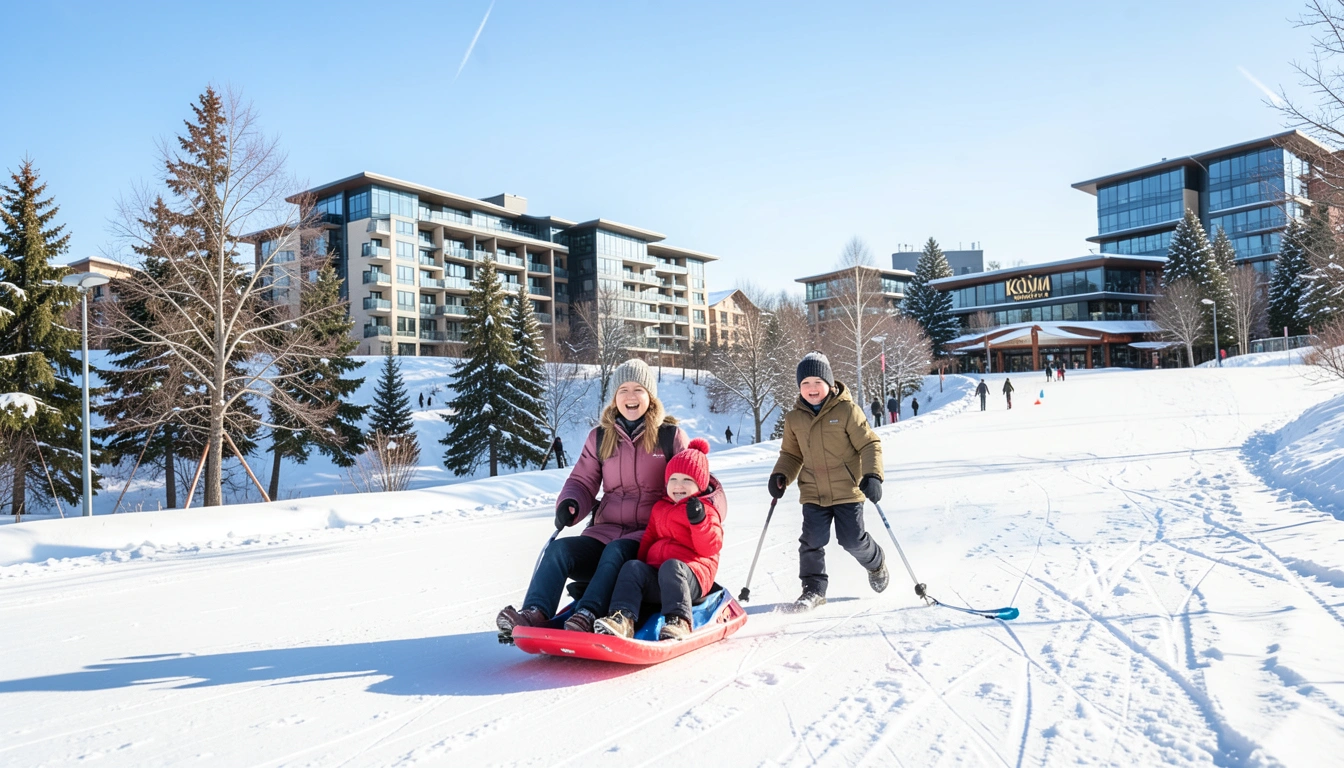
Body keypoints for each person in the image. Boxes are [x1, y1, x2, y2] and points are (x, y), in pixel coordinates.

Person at [496, 359, 688, 640]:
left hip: (649, 536)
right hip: (604, 530)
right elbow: (582, 481)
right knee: (559, 551)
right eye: (623, 389)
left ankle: (587, 613)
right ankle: (535, 611)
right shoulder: (600, 437)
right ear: (614, 397)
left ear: (650, 396)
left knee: (616, 551)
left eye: (638, 389)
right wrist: (570, 503)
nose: (630, 397)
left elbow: (695, 481)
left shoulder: (669, 437)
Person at [768, 352, 887, 613]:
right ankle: (813, 590)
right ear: (799, 387)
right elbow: (791, 454)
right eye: (805, 383)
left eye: (817, 382)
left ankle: (876, 563)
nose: (811, 388)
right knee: (812, 540)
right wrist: (781, 475)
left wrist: (872, 475)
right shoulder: (794, 418)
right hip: (813, 492)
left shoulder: (846, 411)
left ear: (830, 384)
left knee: (852, 541)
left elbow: (869, 444)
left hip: (847, 490)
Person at [595, 438, 725, 641]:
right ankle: (622, 618)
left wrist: (699, 521)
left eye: (687, 480)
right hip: (659, 576)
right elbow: (649, 539)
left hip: (692, 578)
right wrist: (639, 569)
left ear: (700, 483)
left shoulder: (705, 510)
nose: (678, 485)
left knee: (672, 566)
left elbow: (711, 547)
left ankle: (678, 620)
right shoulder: (660, 507)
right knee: (633, 567)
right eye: (673, 479)